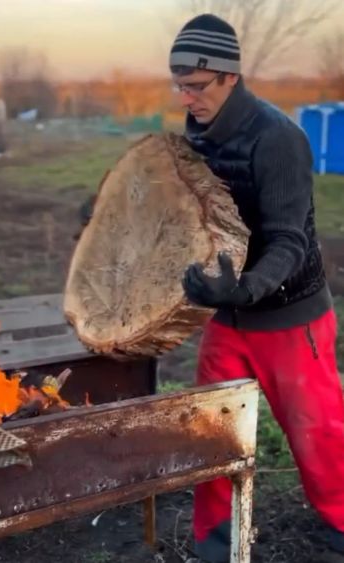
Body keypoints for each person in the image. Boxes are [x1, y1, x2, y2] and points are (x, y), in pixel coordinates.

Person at [170, 13, 344, 563]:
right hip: (229, 317)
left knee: (318, 437)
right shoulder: (197, 131)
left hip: (292, 318)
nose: (186, 97)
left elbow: (291, 241)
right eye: (179, 84)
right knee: (212, 432)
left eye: (196, 86)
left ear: (229, 77)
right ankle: (216, 542)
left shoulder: (279, 139)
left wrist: (246, 290)